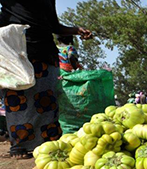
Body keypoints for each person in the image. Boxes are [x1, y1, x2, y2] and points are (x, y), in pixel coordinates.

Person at [0, 0, 92, 159]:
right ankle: (19, 147)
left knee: (47, 100)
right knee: (17, 99)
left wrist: (76, 30)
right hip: (16, 52)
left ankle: (50, 145)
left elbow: (54, 26)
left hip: (43, 51)